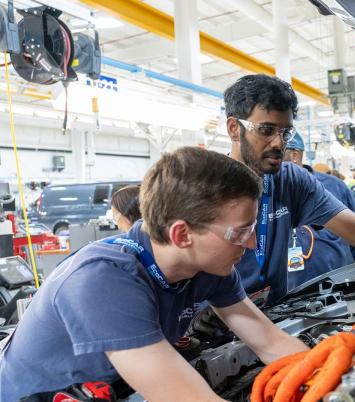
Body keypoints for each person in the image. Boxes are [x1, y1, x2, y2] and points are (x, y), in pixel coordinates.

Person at [0, 147, 308, 401]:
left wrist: (328, 378)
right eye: (241, 232)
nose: (253, 243)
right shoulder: (103, 280)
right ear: (182, 235)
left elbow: (269, 342)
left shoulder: (208, 266)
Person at [223, 74, 355, 304]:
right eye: (266, 130)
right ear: (234, 128)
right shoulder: (201, 186)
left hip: (273, 315)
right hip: (214, 322)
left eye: (285, 132)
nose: (279, 143)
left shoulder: (290, 180)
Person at [282, 132, 355, 289]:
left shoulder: (334, 187)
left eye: (278, 152)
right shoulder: (269, 192)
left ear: (294, 155)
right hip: (291, 297)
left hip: (341, 289)